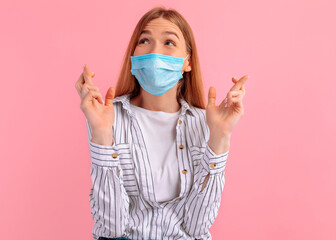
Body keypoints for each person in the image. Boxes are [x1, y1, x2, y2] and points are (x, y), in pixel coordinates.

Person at [75, 6, 248, 240]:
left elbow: (198, 227)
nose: (155, 52)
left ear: (187, 62)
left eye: (169, 43)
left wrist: (220, 138)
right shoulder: (107, 116)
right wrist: (102, 135)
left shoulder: (204, 122)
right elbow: (111, 227)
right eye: (144, 40)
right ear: (133, 55)